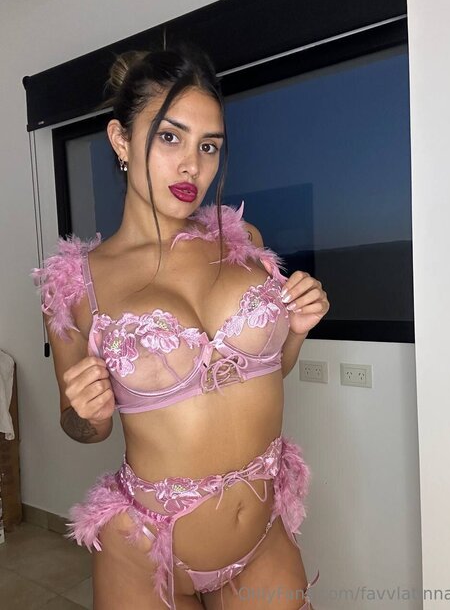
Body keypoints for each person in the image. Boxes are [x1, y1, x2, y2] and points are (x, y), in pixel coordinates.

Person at [31, 44, 329, 610]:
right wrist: (88, 413)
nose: (193, 165)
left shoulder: (245, 244)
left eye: (208, 146)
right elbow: (79, 426)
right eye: (171, 137)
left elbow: (264, 375)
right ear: (121, 140)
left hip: (262, 537)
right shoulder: (75, 288)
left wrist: (296, 329)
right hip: (144, 552)